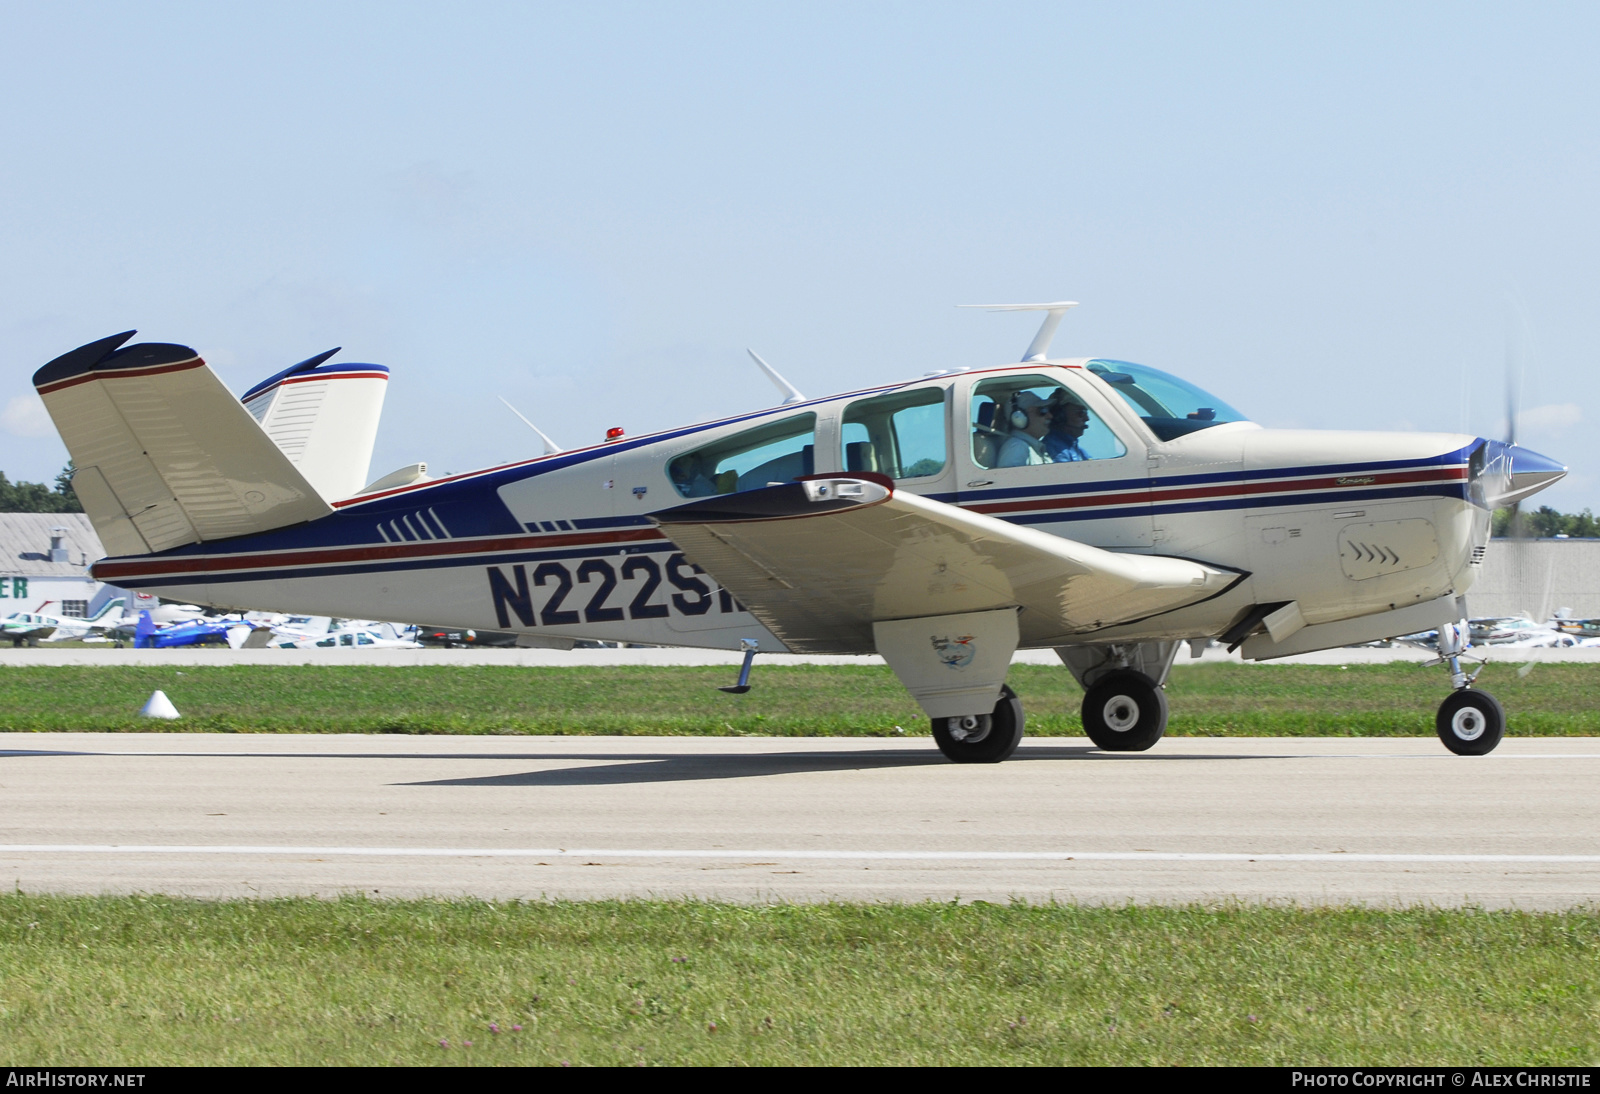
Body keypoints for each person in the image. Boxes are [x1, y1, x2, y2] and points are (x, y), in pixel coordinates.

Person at [996, 391, 1053, 467]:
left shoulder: (1034, 448)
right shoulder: (1017, 447)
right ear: (1019, 418)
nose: (1050, 416)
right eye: (1042, 411)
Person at [1044, 391, 1091, 462]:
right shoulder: (1053, 448)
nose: (1087, 418)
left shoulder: (1078, 450)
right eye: (1081, 412)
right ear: (1059, 416)